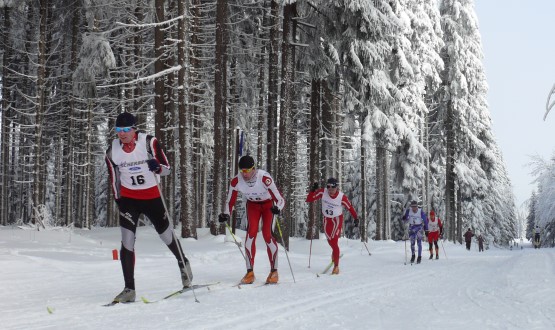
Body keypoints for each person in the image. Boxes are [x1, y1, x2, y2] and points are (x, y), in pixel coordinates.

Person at [105, 112, 193, 303]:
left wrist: (157, 167)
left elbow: (167, 169)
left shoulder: (148, 143)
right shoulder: (112, 151)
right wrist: (118, 199)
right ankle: (129, 289)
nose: (122, 134)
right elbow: (114, 178)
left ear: (134, 129)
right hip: (129, 199)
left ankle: (183, 263)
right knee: (127, 241)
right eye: (119, 130)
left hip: (152, 197)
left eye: (126, 130)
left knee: (166, 235)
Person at [218, 155, 285, 285]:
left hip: (267, 206)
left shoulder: (264, 178)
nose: (245, 174)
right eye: (242, 170)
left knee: (267, 235)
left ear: (253, 168)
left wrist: (278, 208)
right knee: (250, 236)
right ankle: (250, 273)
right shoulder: (236, 181)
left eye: (247, 170)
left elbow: (280, 198)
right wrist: (226, 214)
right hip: (252, 206)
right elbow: (230, 201)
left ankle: (274, 271)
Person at [306, 178, 359, 274]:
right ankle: (335, 253)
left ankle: (336, 267)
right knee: (330, 241)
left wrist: (356, 218)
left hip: (337, 220)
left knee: (334, 242)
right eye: (328, 188)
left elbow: (350, 207)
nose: (330, 190)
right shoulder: (323, 192)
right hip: (326, 219)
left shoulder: (341, 197)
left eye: (332, 188)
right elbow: (309, 199)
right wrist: (313, 190)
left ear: (336, 187)